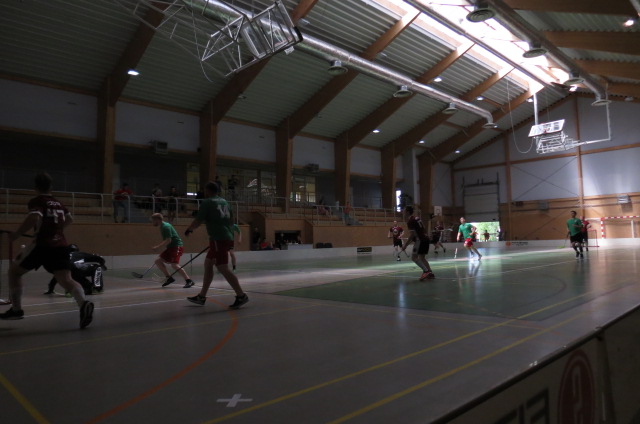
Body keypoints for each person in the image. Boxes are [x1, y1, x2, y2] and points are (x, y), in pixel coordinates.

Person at [0, 172, 94, 328]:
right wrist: (56, 231)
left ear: (35, 187)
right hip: (61, 246)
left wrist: (16, 235)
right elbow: (70, 219)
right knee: (66, 279)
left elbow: (34, 217)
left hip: (42, 245)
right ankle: (83, 303)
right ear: (51, 187)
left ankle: (16, 310)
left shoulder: (37, 201)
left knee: (14, 272)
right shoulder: (58, 203)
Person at [184, 181, 249, 309]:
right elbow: (231, 221)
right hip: (222, 237)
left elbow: (198, 220)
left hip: (219, 239)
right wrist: (227, 235)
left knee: (222, 267)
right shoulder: (225, 202)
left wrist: (189, 229)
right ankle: (202, 296)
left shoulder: (207, 202)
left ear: (207, 190)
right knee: (208, 264)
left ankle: (241, 295)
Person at [151, 213, 194, 288]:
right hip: (171, 247)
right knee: (158, 261)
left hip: (176, 246)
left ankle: (189, 280)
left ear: (157, 219)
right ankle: (169, 278)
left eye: (153, 220)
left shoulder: (166, 227)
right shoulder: (162, 226)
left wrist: (158, 247)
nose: (152, 222)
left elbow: (169, 240)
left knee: (174, 265)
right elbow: (168, 241)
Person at [400, 206, 435, 280]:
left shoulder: (410, 221)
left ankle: (426, 271)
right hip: (425, 239)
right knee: (422, 258)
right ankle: (430, 273)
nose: (403, 212)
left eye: (404, 211)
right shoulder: (417, 218)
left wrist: (405, 245)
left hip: (420, 240)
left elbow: (412, 235)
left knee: (414, 257)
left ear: (408, 212)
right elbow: (422, 229)